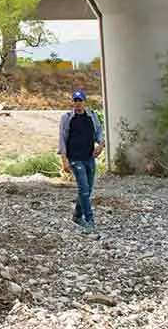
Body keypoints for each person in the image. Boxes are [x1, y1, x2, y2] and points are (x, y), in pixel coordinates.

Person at [58, 90, 105, 234]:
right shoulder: (67, 118)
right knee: (83, 189)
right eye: (75, 101)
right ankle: (89, 220)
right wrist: (64, 160)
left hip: (89, 158)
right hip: (75, 159)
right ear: (72, 102)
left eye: (80, 101)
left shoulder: (92, 116)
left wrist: (101, 145)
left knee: (88, 190)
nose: (77, 104)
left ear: (84, 102)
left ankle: (77, 216)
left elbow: (98, 133)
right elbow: (62, 139)